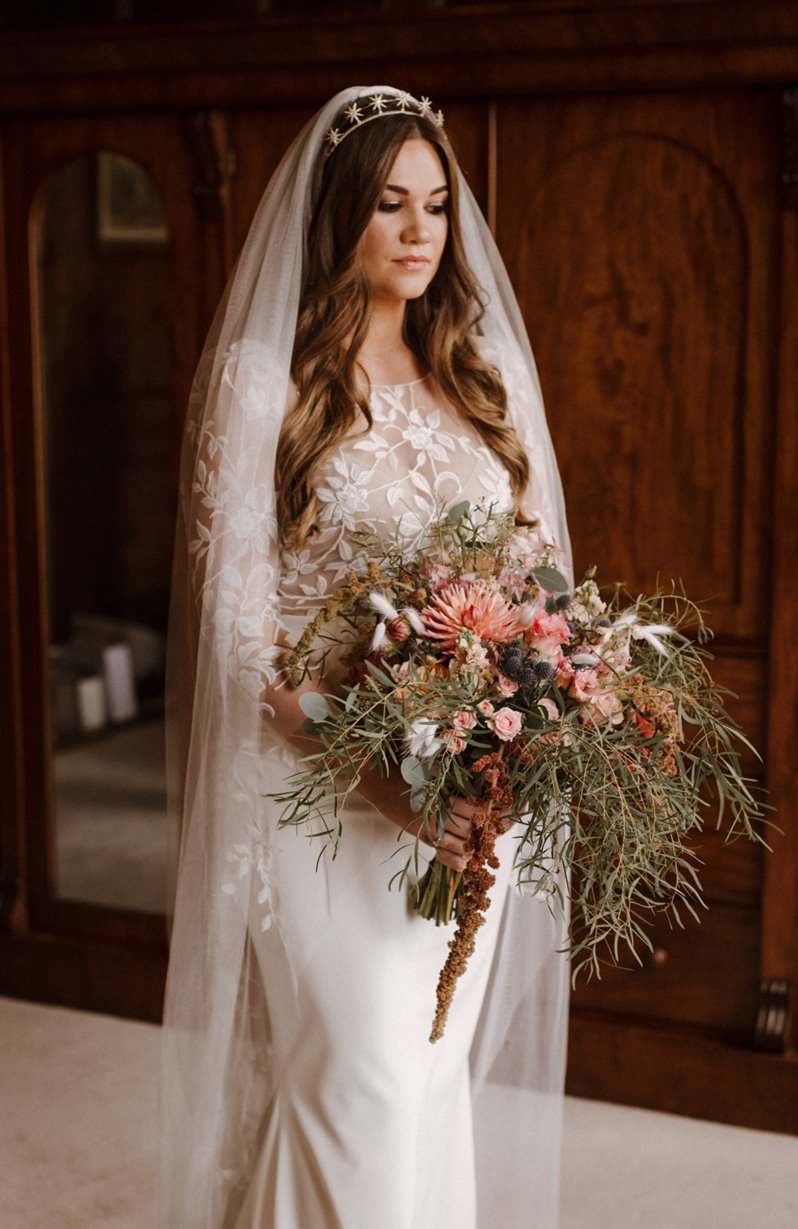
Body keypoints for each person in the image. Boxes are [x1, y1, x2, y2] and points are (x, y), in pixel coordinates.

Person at [159, 86, 572, 1229]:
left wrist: (509, 742)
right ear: (339, 213)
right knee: (361, 1078)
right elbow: (236, 621)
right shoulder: (263, 383)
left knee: (426, 1082)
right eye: (389, 203)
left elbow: (533, 585)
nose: (419, 230)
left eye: (436, 205)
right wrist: (361, 758)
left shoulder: (481, 370)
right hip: (310, 788)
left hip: (464, 790)